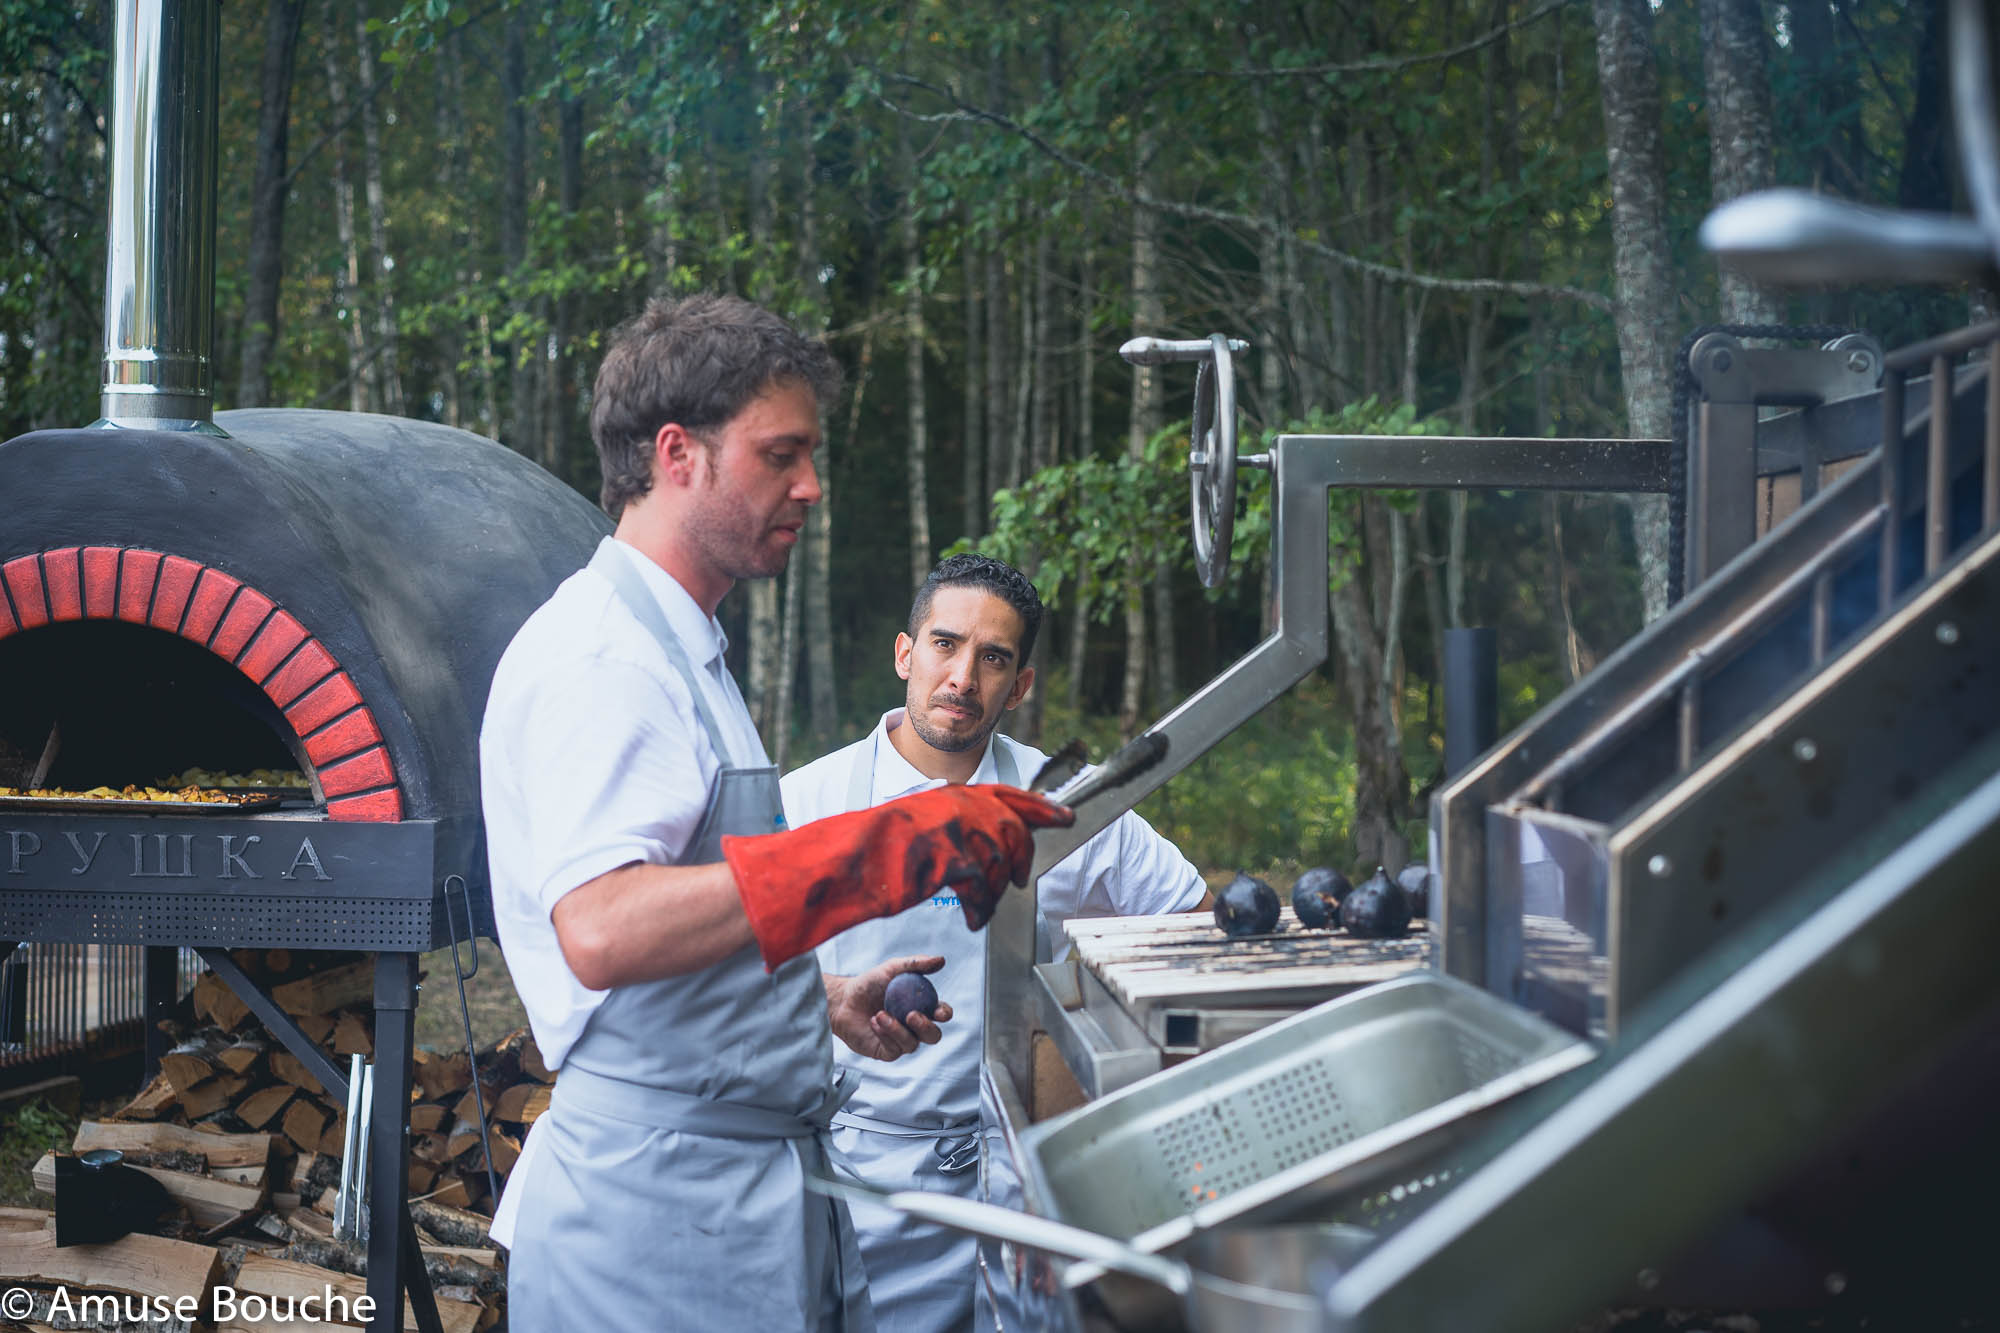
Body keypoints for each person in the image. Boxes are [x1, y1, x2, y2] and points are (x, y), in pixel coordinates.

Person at [479, 296, 1071, 1331]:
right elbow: (605, 927)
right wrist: (890, 845)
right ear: (678, 455)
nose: (810, 485)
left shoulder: (680, 650)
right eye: (779, 455)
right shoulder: (602, 659)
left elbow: (688, 928)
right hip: (658, 1226)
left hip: (724, 1196)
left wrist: (815, 998)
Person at [780, 554, 1209, 1333]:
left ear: (1021, 685)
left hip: (1014, 1179)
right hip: (856, 1170)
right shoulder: (808, 801)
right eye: (945, 645)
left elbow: (1194, 918)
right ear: (906, 653)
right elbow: (733, 975)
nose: (963, 677)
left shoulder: (1066, 803)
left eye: (994, 658)